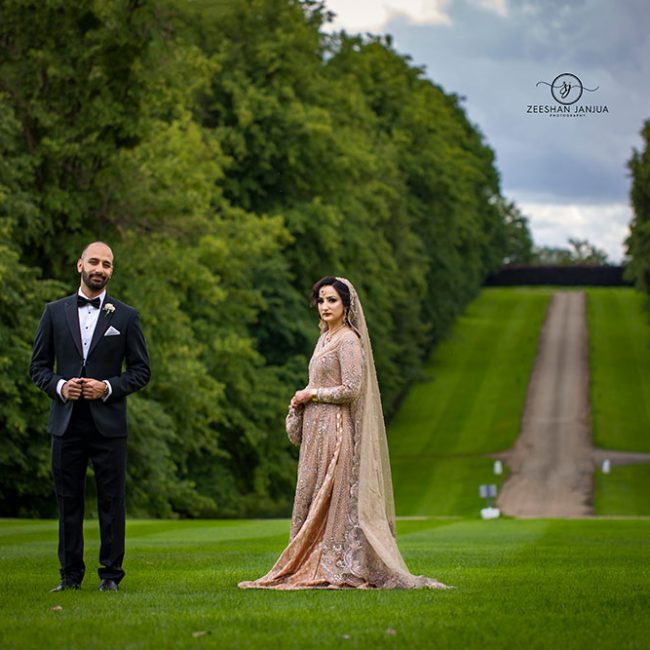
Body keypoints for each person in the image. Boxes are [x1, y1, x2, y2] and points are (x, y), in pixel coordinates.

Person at [239, 276, 449, 590]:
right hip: (315, 430)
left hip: (335, 429)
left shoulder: (348, 340)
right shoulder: (324, 338)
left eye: (332, 300)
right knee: (311, 496)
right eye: (321, 300)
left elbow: (352, 389)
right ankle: (303, 561)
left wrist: (313, 395)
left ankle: (334, 564)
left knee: (329, 498)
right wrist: (302, 400)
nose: (324, 306)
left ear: (346, 305)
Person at [30, 241, 150, 593]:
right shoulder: (53, 312)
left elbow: (141, 371)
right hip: (65, 422)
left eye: (107, 264)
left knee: (112, 501)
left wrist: (108, 387)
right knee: (68, 500)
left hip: (109, 425)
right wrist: (60, 386)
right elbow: (37, 367)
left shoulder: (126, 316)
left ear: (112, 271)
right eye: (94, 262)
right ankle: (69, 577)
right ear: (79, 264)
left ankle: (110, 576)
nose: (100, 269)